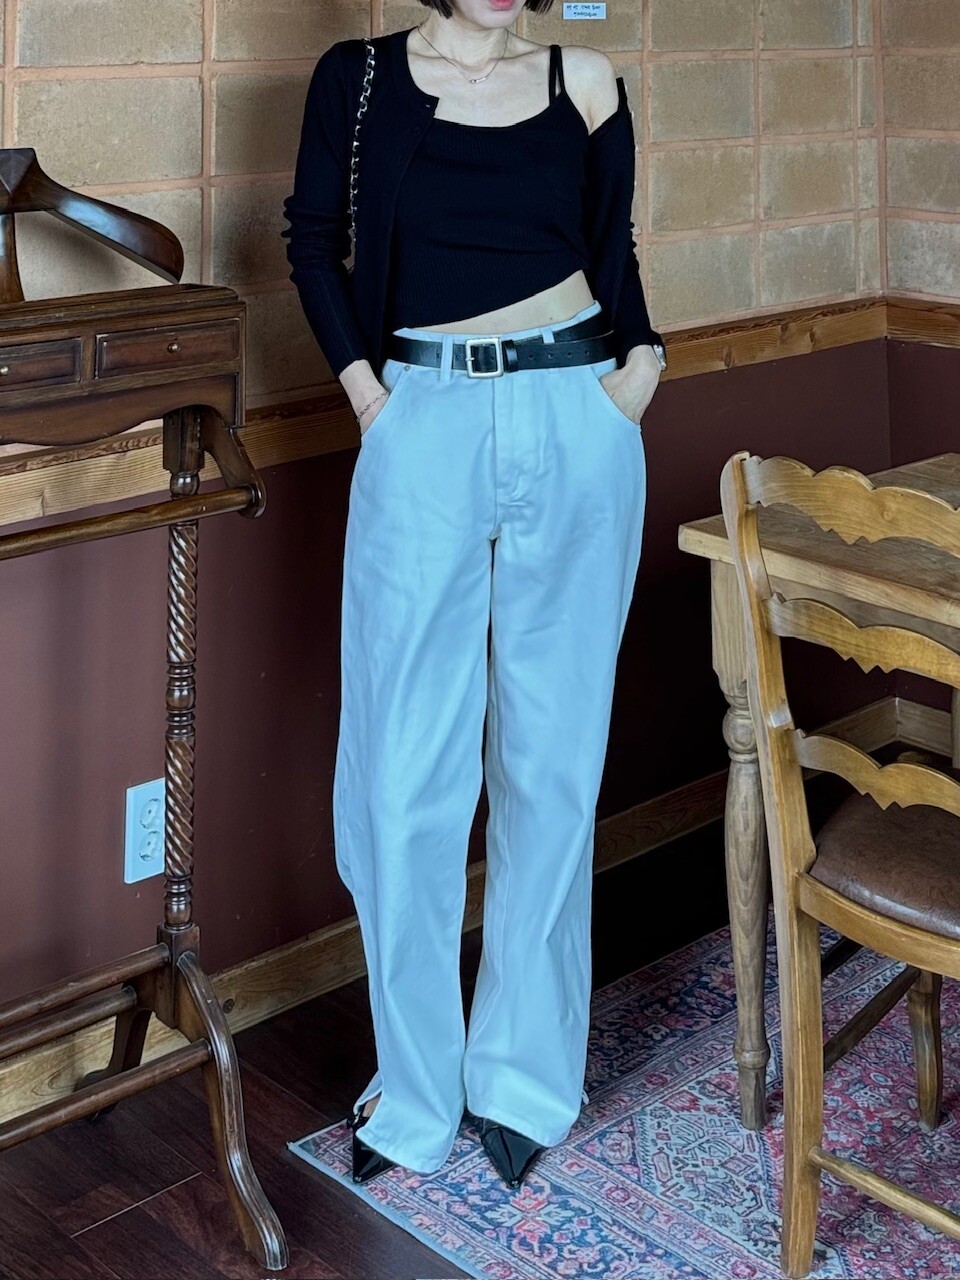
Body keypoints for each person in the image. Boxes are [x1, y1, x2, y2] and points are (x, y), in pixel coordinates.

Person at [280, 0, 666, 1190]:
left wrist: (639, 369)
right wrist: (371, 402)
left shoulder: (586, 79)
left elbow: (613, 247)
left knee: (553, 760)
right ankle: (415, 1090)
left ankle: (524, 1078)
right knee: (403, 774)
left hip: (578, 412)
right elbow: (312, 242)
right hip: (423, 419)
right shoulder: (356, 80)